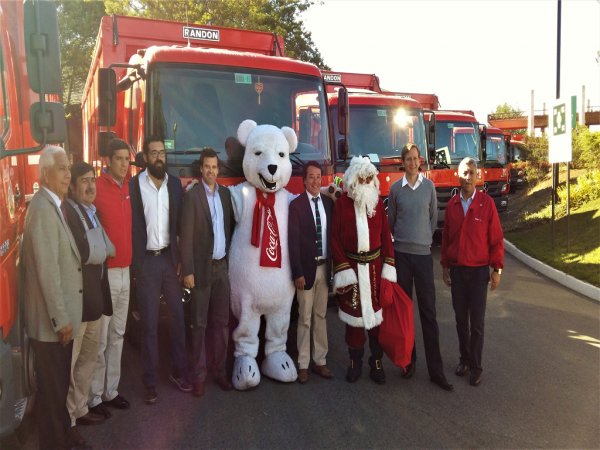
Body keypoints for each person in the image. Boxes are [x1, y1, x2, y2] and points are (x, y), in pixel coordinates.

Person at [21, 146, 84, 449]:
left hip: (55, 326)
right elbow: (48, 273)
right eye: (62, 168)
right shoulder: (44, 211)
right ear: (45, 173)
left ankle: (59, 441)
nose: (68, 174)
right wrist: (61, 321)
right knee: (52, 396)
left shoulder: (51, 205)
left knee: (56, 393)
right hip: (51, 328)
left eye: (68, 168)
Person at [387, 143, 453, 391]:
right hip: (402, 256)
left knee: (428, 314)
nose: (413, 163)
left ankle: (436, 370)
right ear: (402, 162)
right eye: (409, 159)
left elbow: (432, 219)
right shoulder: (396, 189)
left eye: (416, 159)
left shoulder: (429, 187)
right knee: (404, 314)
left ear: (420, 161)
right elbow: (392, 221)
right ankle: (408, 362)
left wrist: (422, 239)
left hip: (423, 257)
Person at [129, 135, 190, 404]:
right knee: (150, 325)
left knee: (178, 318)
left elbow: (181, 226)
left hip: (168, 261)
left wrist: (181, 260)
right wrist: (136, 265)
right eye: (154, 153)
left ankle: (178, 371)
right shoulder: (133, 186)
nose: (159, 158)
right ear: (145, 158)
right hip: (146, 263)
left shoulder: (175, 185)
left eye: (162, 153)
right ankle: (150, 381)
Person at [331, 156, 397, 384]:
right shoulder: (342, 205)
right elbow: (335, 240)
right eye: (363, 177)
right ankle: (355, 361)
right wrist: (343, 272)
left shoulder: (378, 204)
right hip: (351, 268)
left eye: (370, 177)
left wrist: (388, 270)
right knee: (354, 322)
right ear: (353, 178)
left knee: (376, 321)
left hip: (375, 271)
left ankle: (376, 361)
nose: (367, 180)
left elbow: (387, 240)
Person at [441, 157, 504, 387]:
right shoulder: (451, 206)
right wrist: (445, 266)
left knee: (477, 322)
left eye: (472, 173)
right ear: (458, 175)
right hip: (457, 272)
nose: (469, 177)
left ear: (478, 176)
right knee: (460, 320)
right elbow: (446, 238)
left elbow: (496, 240)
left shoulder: (487, 204)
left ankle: (476, 367)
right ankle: (465, 359)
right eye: (465, 173)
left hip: (478, 273)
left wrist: (496, 269)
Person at [65, 162, 114, 447]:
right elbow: (85, 252)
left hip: (94, 300)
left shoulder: (90, 212)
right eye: (83, 181)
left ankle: (80, 409)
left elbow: (100, 251)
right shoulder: (70, 212)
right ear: (72, 187)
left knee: (87, 361)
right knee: (72, 365)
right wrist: (103, 247)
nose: (90, 185)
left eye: (92, 179)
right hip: (80, 302)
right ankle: (68, 420)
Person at [180, 147, 234, 397]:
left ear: (218, 169)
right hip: (200, 271)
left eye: (215, 167)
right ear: (201, 169)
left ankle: (220, 371)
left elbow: (230, 229)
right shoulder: (192, 197)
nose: (211, 171)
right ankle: (199, 375)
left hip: (221, 268)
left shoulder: (225, 196)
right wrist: (188, 271)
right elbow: (186, 238)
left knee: (222, 324)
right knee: (199, 325)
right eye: (207, 167)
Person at [88, 138, 133, 418]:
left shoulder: (129, 186)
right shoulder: (96, 188)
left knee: (118, 334)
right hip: (106, 274)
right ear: (108, 161)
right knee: (101, 339)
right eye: (119, 159)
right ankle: (93, 397)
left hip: (127, 271)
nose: (124, 164)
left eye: (127, 160)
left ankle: (111, 391)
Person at [288, 161, 335, 383]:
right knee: (305, 318)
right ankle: (303, 364)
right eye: (311, 177)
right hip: (305, 271)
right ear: (304, 180)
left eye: (319, 176)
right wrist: (297, 272)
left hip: (324, 268)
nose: (316, 181)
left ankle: (320, 361)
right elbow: (293, 242)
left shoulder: (328, 203)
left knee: (321, 316)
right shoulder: (296, 206)